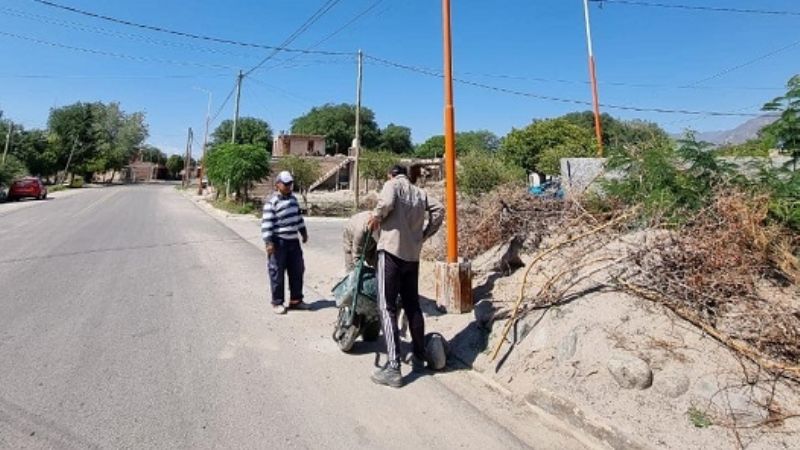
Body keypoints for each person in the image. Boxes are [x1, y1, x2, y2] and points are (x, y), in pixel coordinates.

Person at [367, 165, 444, 388]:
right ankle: (419, 355)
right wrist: (423, 234)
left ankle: (393, 367)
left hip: (391, 252)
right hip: (412, 256)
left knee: (386, 307)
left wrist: (375, 216)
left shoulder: (392, 185)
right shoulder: (420, 193)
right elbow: (439, 210)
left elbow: (386, 203)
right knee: (412, 306)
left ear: (390, 174)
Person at [261, 171, 309, 315]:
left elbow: (298, 218)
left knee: (297, 270)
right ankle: (277, 302)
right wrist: (268, 242)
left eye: (290, 183)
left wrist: (303, 232)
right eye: (286, 183)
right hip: (278, 242)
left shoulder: (294, 200)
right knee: (277, 272)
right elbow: (267, 223)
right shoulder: (272, 202)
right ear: (278, 185)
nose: (289, 186)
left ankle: (296, 300)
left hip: (293, 242)